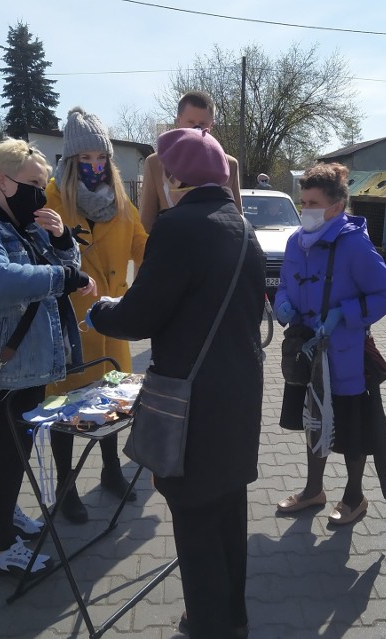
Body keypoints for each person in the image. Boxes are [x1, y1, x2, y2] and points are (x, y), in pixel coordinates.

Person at [88, 128, 265, 639]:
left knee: (194, 520)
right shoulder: (240, 224)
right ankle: (233, 617)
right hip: (237, 392)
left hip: (193, 399)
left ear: (174, 176)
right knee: (228, 512)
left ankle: (209, 626)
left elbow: (141, 315)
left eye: (160, 173)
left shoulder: (179, 226)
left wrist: (101, 312)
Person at [0, 138, 96, 576]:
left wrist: (63, 239)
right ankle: (1, 549)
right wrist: (61, 275)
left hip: (27, 366)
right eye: (33, 184)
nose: (40, 195)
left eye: (44, 185)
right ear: (3, 182)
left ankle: (3, 516)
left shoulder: (15, 224)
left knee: (18, 453)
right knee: (6, 459)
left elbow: (59, 265)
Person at [274, 162, 386, 525]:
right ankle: (314, 490)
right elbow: (285, 284)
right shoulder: (295, 241)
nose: (305, 210)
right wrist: (283, 302)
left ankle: (354, 497)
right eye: (303, 202)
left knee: (351, 431)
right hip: (307, 355)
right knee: (314, 421)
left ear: (336, 207)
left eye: (312, 203)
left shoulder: (353, 244)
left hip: (345, 358)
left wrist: (344, 314)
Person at [45, 108, 148, 523]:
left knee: (110, 404)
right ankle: (65, 489)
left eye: (100, 158)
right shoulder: (51, 200)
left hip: (112, 321)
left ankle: (109, 472)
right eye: (85, 159)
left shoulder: (122, 203)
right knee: (65, 410)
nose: (94, 166)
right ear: (71, 161)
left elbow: (146, 249)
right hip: (67, 323)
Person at [139, 91, 242, 232]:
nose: (196, 129)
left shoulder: (229, 164)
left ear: (212, 125)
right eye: (191, 123)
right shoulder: (156, 163)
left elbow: (236, 220)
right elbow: (146, 222)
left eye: (202, 124)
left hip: (215, 248)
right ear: (178, 121)